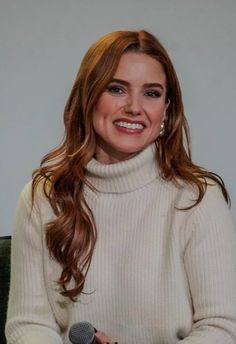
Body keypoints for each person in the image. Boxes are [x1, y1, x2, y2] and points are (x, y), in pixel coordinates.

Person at [5, 30, 236, 344]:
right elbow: (28, 325)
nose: (134, 107)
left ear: (166, 110)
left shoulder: (198, 198)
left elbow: (220, 328)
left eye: (152, 93)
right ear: (88, 97)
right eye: (116, 89)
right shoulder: (42, 197)